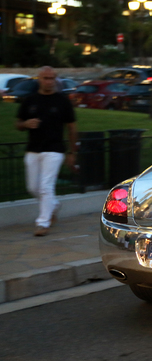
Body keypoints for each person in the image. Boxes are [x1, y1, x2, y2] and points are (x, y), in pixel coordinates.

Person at [15, 66, 77, 237]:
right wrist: (26, 124)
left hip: (54, 149)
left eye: (52, 78)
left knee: (45, 186)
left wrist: (72, 152)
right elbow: (18, 123)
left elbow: (72, 127)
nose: (48, 81)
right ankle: (54, 206)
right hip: (33, 149)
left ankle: (42, 223)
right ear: (39, 79)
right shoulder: (30, 100)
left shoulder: (62, 101)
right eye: (45, 78)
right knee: (33, 187)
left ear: (55, 80)